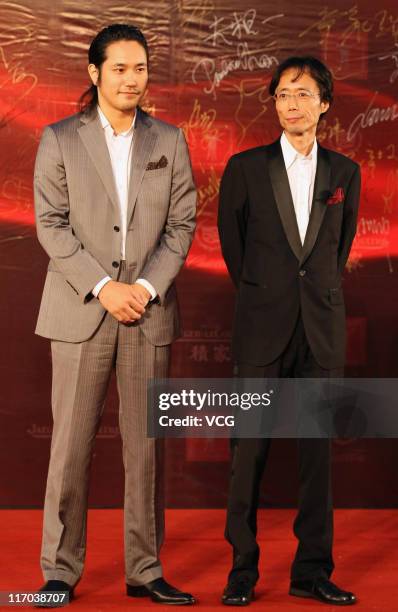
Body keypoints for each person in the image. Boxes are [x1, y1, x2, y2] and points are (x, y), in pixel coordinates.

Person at [34, 23, 196, 607]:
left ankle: (144, 569)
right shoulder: (58, 138)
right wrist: (105, 287)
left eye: (141, 68)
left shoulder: (170, 140)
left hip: (148, 312)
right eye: (121, 68)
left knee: (146, 448)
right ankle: (58, 570)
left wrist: (146, 288)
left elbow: (182, 226)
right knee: (71, 447)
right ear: (94, 72)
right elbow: (51, 225)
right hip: (82, 309)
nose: (133, 79)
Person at [218, 56, 360, 606]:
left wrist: (307, 294)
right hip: (262, 326)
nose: (291, 104)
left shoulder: (345, 172)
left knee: (317, 455)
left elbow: (337, 249)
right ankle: (242, 572)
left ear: (324, 103)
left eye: (302, 94)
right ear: (274, 104)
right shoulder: (245, 167)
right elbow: (235, 250)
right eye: (281, 95)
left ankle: (312, 572)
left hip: (321, 329)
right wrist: (267, 294)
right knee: (246, 453)